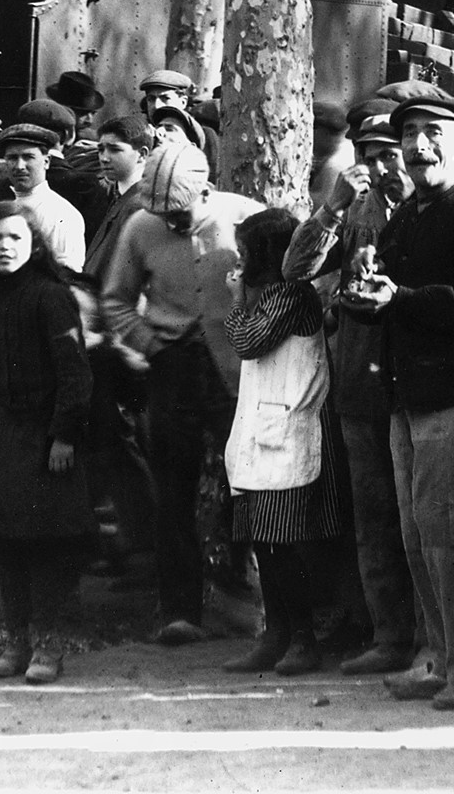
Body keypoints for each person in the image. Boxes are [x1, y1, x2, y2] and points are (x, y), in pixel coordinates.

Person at [342, 83, 454, 712]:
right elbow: (386, 295)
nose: (418, 147)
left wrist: (403, 300)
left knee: (453, 535)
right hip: (406, 397)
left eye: (433, 135)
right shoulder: (408, 215)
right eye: (410, 136)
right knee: (417, 535)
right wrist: (363, 299)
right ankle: (439, 657)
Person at [97, 131, 256, 646]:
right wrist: (150, 343)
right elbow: (116, 300)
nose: (172, 224)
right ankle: (179, 611)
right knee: (173, 491)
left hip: (238, 370)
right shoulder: (141, 226)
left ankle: (254, 604)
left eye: (181, 215)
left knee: (252, 487)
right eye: (164, 214)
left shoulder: (244, 218)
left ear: (206, 193)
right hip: (172, 369)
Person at [285, 113, 417, 676]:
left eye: (393, 153)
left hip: (418, 383)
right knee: (375, 515)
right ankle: (388, 636)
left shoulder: (435, 204)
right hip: (362, 383)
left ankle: (433, 640)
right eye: (373, 154)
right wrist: (331, 207)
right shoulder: (353, 208)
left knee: (423, 517)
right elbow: (296, 268)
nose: (386, 166)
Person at [0, 197, 93, 683]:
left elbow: (75, 373)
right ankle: (16, 642)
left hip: (46, 437)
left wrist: (64, 436)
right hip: (1, 432)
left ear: (34, 244)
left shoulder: (50, 295)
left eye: (16, 238)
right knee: (4, 541)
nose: (5, 247)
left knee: (47, 545)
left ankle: (48, 646)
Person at [221, 207, 347, 676]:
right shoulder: (274, 295)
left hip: (293, 432)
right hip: (267, 434)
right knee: (268, 542)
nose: (240, 260)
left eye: (245, 251)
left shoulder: (289, 295)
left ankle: (302, 638)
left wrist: (236, 299)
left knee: (287, 544)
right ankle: (276, 634)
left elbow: (247, 341)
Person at [0, 122, 85, 274]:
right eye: (12, 158)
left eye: (28, 157)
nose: (19, 166)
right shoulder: (1, 203)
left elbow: (67, 275)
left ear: (46, 162)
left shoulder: (61, 214)